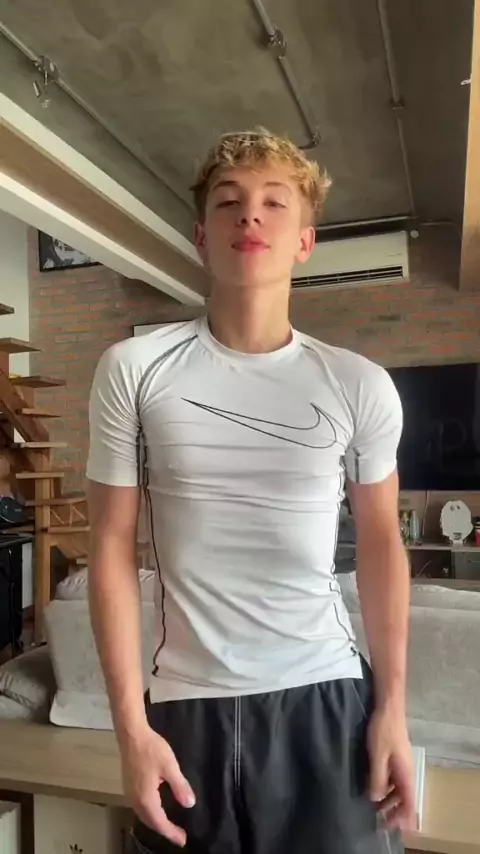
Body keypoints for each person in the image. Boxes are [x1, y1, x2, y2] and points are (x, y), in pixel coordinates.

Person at [86, 127, 415, 854]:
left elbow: (382, 543)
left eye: (274, 202)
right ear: (202, 237)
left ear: (304, 241)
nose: (251, 215)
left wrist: (393, 708)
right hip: (188, 708)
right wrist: (130, 728)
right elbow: (109, 545)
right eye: (229, 202)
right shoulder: (134, 368)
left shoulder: (358, 384)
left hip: (327, 697)